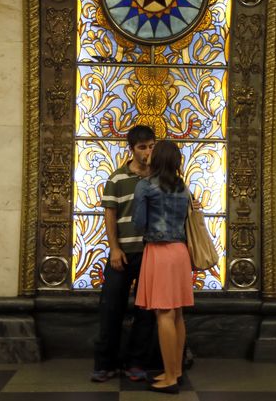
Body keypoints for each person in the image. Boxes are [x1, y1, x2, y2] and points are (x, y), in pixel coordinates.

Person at [92, 125, 157, 383]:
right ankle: (105, 364)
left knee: (146, 311)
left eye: (151, 146)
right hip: (122, 253)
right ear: (131, 149)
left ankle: (136, 363)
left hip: (151, 253)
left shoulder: (160, 177)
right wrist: (114, 248)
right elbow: (110, 215)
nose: (147, 151)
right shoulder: (117, 178)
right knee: (111, 308)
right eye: (142, 147)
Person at [132, 140, 194, 394]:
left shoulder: (145, 186)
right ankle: (176, 371)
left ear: (157, 159)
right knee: (177, 314)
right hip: (180, 252)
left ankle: (169, 378)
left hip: (159, 252)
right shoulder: (183, 187)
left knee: (164, 314)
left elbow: (138, 222)